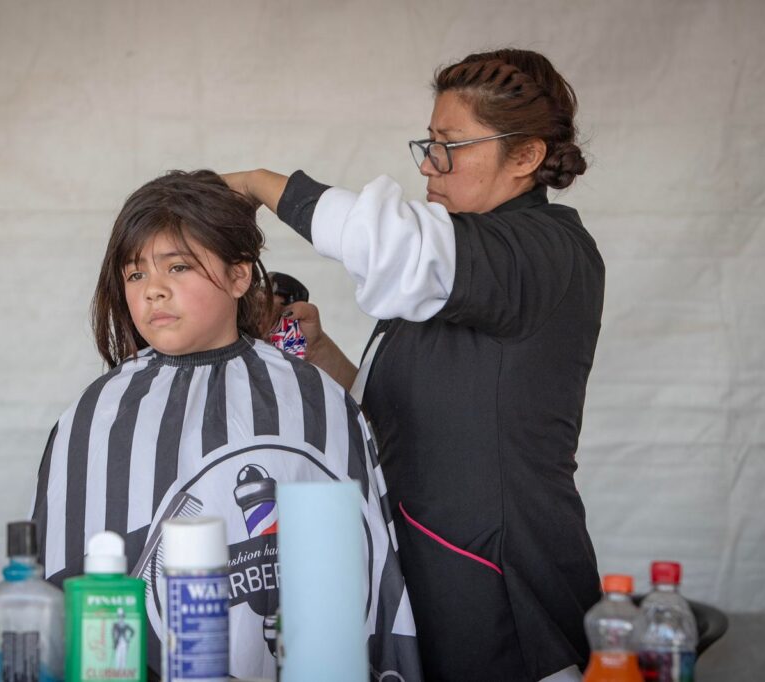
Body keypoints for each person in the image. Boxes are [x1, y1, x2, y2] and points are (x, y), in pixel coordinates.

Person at [223, 49, 604, 682]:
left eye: (450, 145)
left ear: (527, 156)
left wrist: (259, 183)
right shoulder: (459, 268)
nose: (429, 164)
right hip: (428, 571)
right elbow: (400, 418)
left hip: (503, 584)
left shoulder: (545, 250)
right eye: (427, 143)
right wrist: (323, 356)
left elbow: (390, 241)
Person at [30, 170, 422, 680]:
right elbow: (64, 582)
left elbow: (356, 573)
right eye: (135, 274)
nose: (154, 291)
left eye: (178, 267)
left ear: (240, 277)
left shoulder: (311, 396)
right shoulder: (94, 414)